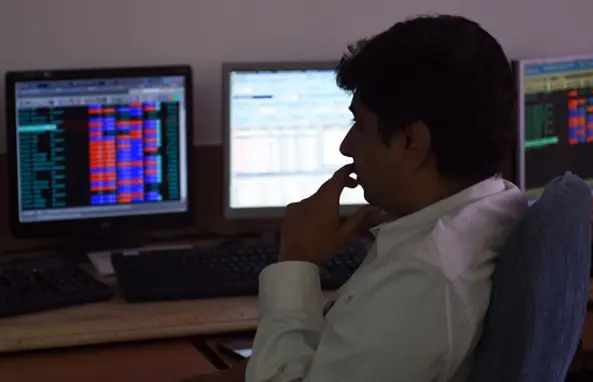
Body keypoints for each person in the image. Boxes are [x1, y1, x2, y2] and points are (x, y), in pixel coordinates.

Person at [205, 14, 528, 382]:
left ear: (411, 142)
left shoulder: (423, 278)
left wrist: (296, 259)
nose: (346, 146)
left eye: (358, 124)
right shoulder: (496, 206)